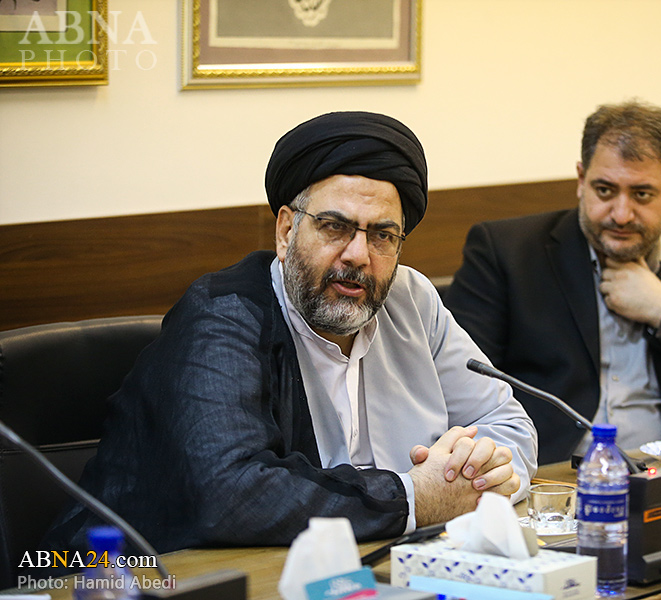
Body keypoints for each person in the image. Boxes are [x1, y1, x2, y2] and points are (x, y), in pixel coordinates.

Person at [45, 112, 537, 555]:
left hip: (366, 568)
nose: (358, 255)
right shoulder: (222, 318)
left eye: (382, 235)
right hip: (133, 576)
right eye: (334, 227)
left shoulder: (411, 299)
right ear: (285, 231)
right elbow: (231, 493)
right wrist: (415, 497)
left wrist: (479, 473)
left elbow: (507, 423)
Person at [444, 100, 661, 464]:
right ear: (581, 180)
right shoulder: (506, 253)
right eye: (605, 190)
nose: (621, 215)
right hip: (553, 476)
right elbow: (458, 390)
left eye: (642, 194)